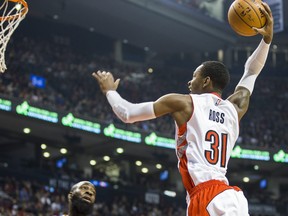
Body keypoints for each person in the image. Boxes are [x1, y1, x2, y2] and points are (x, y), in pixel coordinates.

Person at [92, 2, 273, 215]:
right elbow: (251, 73)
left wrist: (109, 91)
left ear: (206, 81)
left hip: (206, 197)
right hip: (229, 197)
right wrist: (267, 40)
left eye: (194, 76)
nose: (189, 82)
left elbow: (128, 114)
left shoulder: (183, 102)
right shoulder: (235, 108)